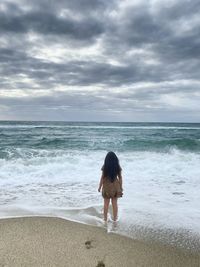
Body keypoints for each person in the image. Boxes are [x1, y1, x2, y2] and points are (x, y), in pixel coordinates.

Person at [98, 151, 123, 222]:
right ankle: (115, 219)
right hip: (116, 187)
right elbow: (120, 178)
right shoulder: (117, 166)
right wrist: (121, 187)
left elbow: (102, 177)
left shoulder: (105, 166)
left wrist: (99, 187)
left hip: (107, 187)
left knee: (106, 204)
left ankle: (105, 219)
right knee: (114, 204)